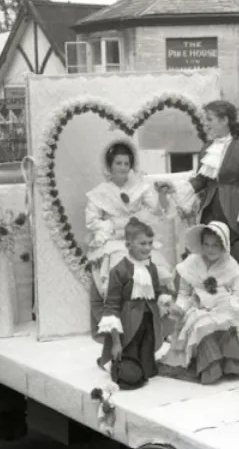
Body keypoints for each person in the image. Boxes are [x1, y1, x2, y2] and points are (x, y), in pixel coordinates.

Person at [86, 140, 174, 340]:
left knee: (153, 260)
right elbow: (92, 221)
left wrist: (162, 195)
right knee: (119, 261)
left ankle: (157, 320)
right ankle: (121, 322)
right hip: (113, 239)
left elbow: (157, 210)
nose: (123, 168)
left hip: (135, 236)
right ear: (110, 166)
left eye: (126, 164)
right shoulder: (100, 192)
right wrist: (112, 227)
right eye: (118, 163)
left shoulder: (140, 188)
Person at [182, 100, 239, 304]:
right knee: (208, 256)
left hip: (235, 212)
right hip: (212, 210)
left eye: (210, 120)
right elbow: (202, 180)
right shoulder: (207, 149)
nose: (207, 124)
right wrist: (177, 187)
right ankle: (207, 302)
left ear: (225, 120)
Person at [158, 221, 239, 384]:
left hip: (224, 305)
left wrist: (227, 304)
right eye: (206, 244)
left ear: (224, 245)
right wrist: (179, 308)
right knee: (201, 322)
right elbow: (184, 294)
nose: (210, 249)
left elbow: (238, 293)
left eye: (215, 245)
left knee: (225, 322)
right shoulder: (192, 263)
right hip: (198, 306)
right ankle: (211, 365)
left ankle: (229, 362)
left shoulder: (230, 265)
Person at [96, 218, 169, 384]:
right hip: (127, 327)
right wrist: (115, 342)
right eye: (142, 244)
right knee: (130, 377)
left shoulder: (151, 267)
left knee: (149, 372)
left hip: (148, 324)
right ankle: (115, 362)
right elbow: (111, 308)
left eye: (150, 243)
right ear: (128, 245)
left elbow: (156, 292)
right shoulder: (119, 270)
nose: (148, 248)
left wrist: (165, 300)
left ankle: (142, 362)